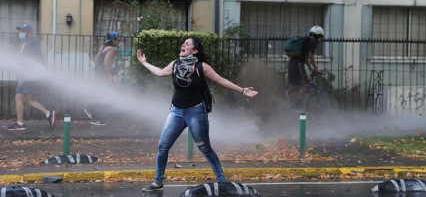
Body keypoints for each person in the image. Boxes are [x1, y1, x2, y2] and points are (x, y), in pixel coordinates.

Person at [137, 37, 258, 192]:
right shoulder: (175, 64)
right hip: (176, 112)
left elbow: (221, 80)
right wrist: (144, 62)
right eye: (183, 43)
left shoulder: (202, 67)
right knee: (163, 146)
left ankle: (222, 181)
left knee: (205, 148)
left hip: (196, 112)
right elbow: (160, 73)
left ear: (194, 51)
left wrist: (242, 90)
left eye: (187, 44)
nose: (183, 45)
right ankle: (157, 181)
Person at [7, 24, 56, 131]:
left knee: (18, 97)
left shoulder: (32, 43)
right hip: (29, 74)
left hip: (29, 74)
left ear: (29, 33)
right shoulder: (26, 43)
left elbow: (31, 58)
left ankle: (20, 124)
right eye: (20, 31)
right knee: (26, 99)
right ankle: (49, 114)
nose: (21, 34)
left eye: (23, 31)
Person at [84, 31, 120, 126]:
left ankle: (91, 109)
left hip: (98, 73)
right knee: (106, 95)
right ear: (113, 40)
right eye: (118, 39)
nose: (118, 41)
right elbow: (105, 63)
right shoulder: (112, 49)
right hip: (103, 75)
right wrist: (110, 76)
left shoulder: (103, 47)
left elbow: (96, 60)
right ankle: (93, 114)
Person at [287, 25, 324, 105]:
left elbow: (306, 58)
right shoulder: (313, 41)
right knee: (305, 84)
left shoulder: (307, 40)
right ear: (318, 35)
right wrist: (316, 68)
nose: (321, 39)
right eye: (321, 37)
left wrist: (311, 69)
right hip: (298, 64)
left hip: (292, 63)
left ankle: (283, 99)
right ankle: (297, 104)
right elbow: (310, 56)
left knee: (294, 85)